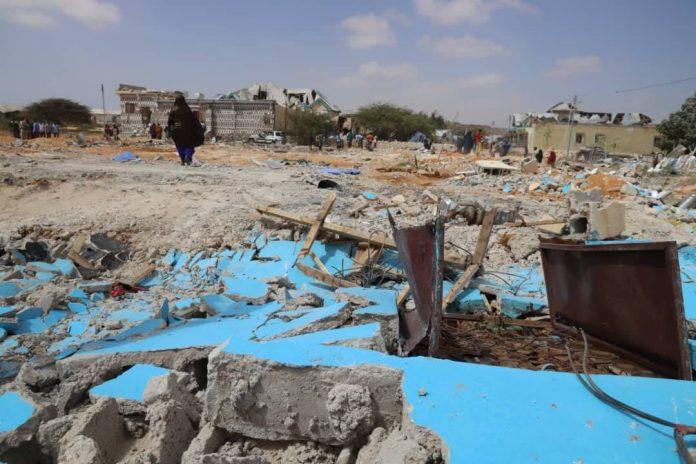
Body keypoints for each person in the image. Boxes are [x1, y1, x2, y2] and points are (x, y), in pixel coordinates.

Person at [168, 94, 204, 166]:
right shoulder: (187, 110)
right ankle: (188, 156)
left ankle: (182, 159)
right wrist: (198, 130)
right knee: (189, 145)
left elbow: (170, 121)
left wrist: (172, 130)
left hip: (177, 131)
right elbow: (194, 121)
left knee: (179, 145)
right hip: (187, 131)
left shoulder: (173, 110)